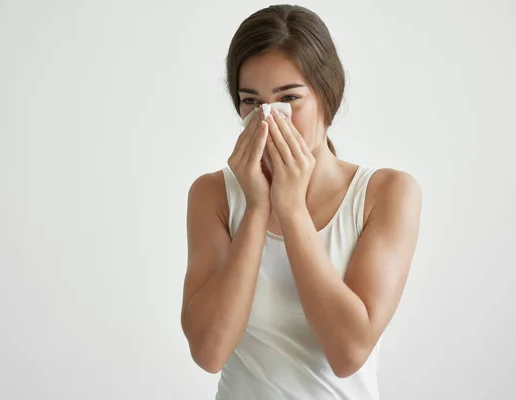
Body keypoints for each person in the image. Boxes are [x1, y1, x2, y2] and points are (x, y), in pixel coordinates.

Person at [180, 4, 422, 399]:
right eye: (251, 103)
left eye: (288, 98)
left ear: (328, 96)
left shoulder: (386, 193)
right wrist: (258, 208)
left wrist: (290, 209)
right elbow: (209, 352)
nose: (270, 120)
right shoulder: (212, 195)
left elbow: (348, 353)